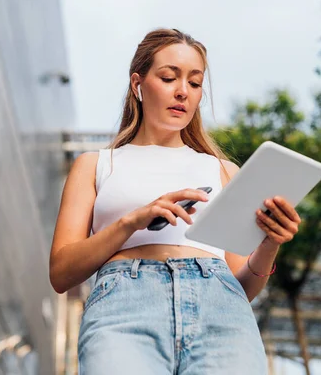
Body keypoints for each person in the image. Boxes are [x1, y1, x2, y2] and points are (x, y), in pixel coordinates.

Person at [49, 28, 302, 374]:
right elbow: (62, 274)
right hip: (123, 310)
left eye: (195, 83)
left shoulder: (223, 170)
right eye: (169, 77)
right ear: (138, 84)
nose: (183, 91)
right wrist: (133, 221)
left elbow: (243, 286)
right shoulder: (95, 165)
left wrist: (271, 242)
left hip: (222, 314)